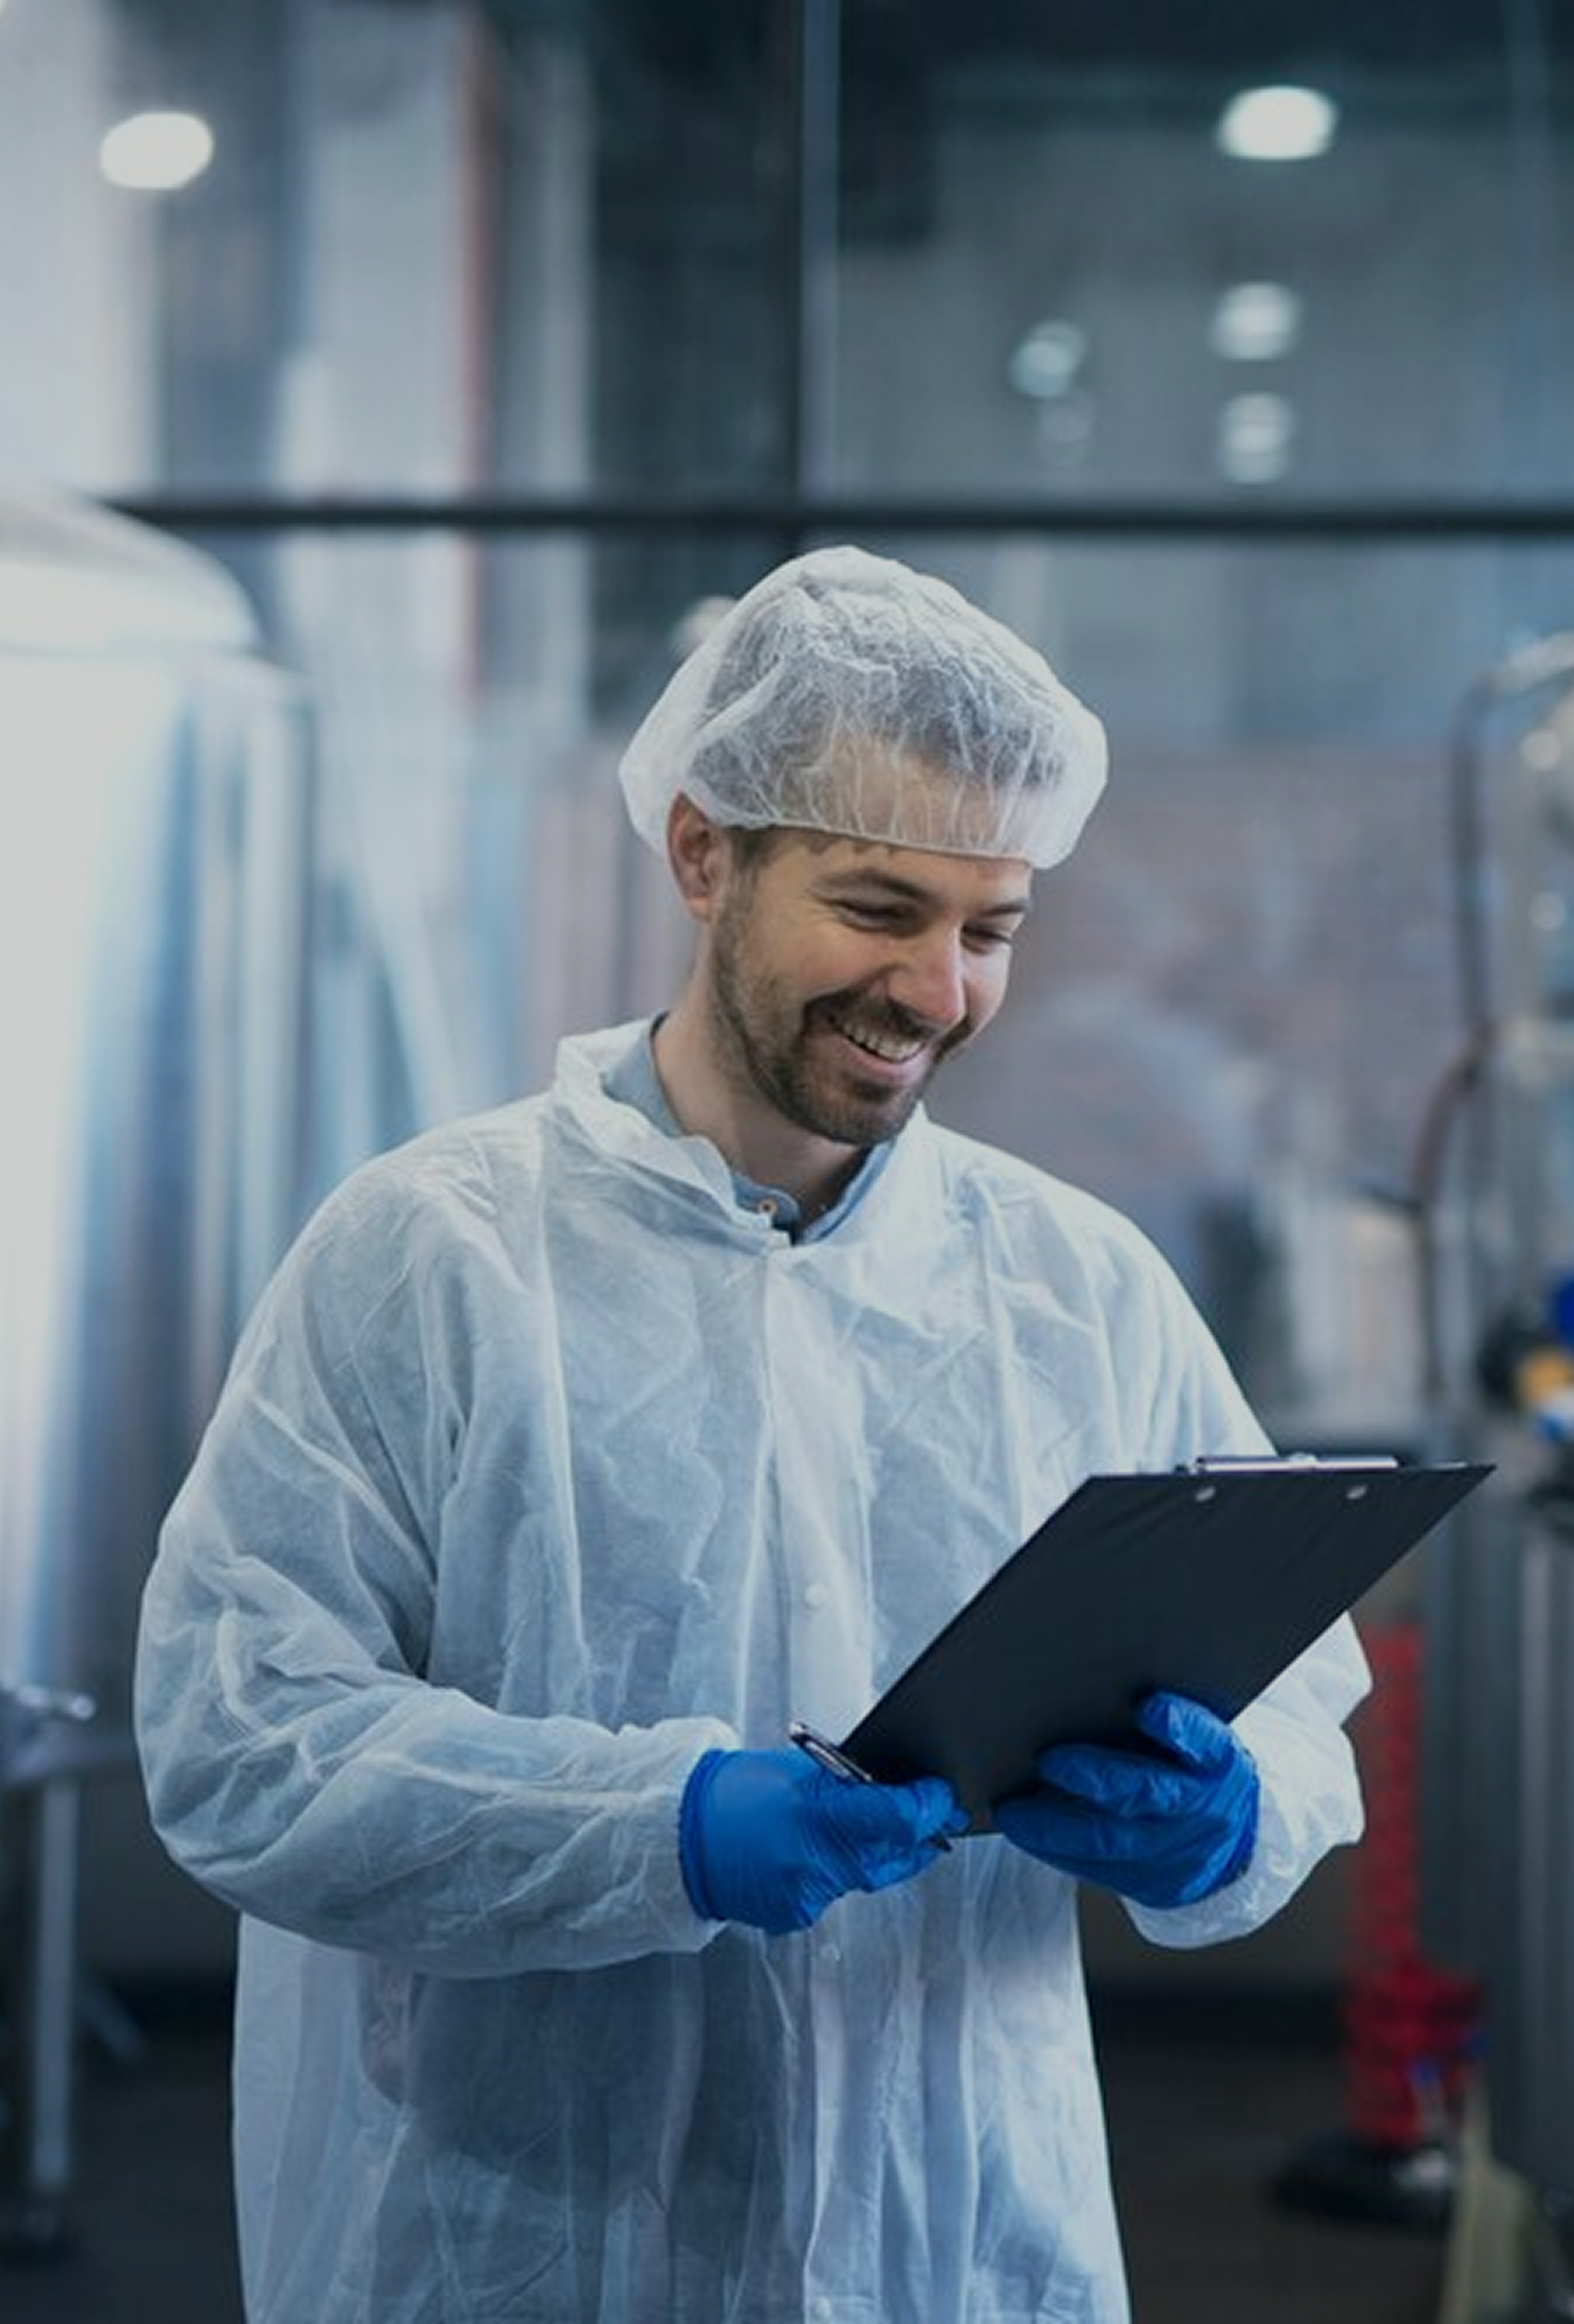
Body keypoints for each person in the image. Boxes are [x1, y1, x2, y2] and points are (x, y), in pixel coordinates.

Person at [134, 545, 1370, 2322]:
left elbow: (1301, 1698)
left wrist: (1228, 1813)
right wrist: (668, 1825)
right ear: (705, 853)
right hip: (525, 2235)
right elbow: (242, 1737)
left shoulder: (1070, 1281)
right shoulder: (438, 1255)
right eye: (880, 909)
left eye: (990, 927)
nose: (938, 989)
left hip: (958, 2238)